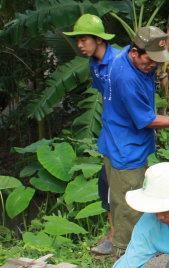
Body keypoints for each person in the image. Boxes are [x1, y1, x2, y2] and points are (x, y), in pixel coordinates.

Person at [98, 25, 169, 256]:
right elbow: (145, 120)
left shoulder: (136, 56)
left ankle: (134, 248)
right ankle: (126, 254)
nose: (152, 66)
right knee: (129, 205)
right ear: (135, 53)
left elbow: (157, 52)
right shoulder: (125, 78)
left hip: (124, 140)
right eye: (149, 62)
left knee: (127, 199)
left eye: (155, 62)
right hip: (124, 148)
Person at [63, 14, 119, 255]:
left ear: (98, 39)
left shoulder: (119, 61)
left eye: (84, 39)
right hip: (109, 134)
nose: (80, 44)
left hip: (127, 136)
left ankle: (120, 238)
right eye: (78, 40)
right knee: (106, 184)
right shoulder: (94, 65)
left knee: (127, 187)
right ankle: (113, 235)